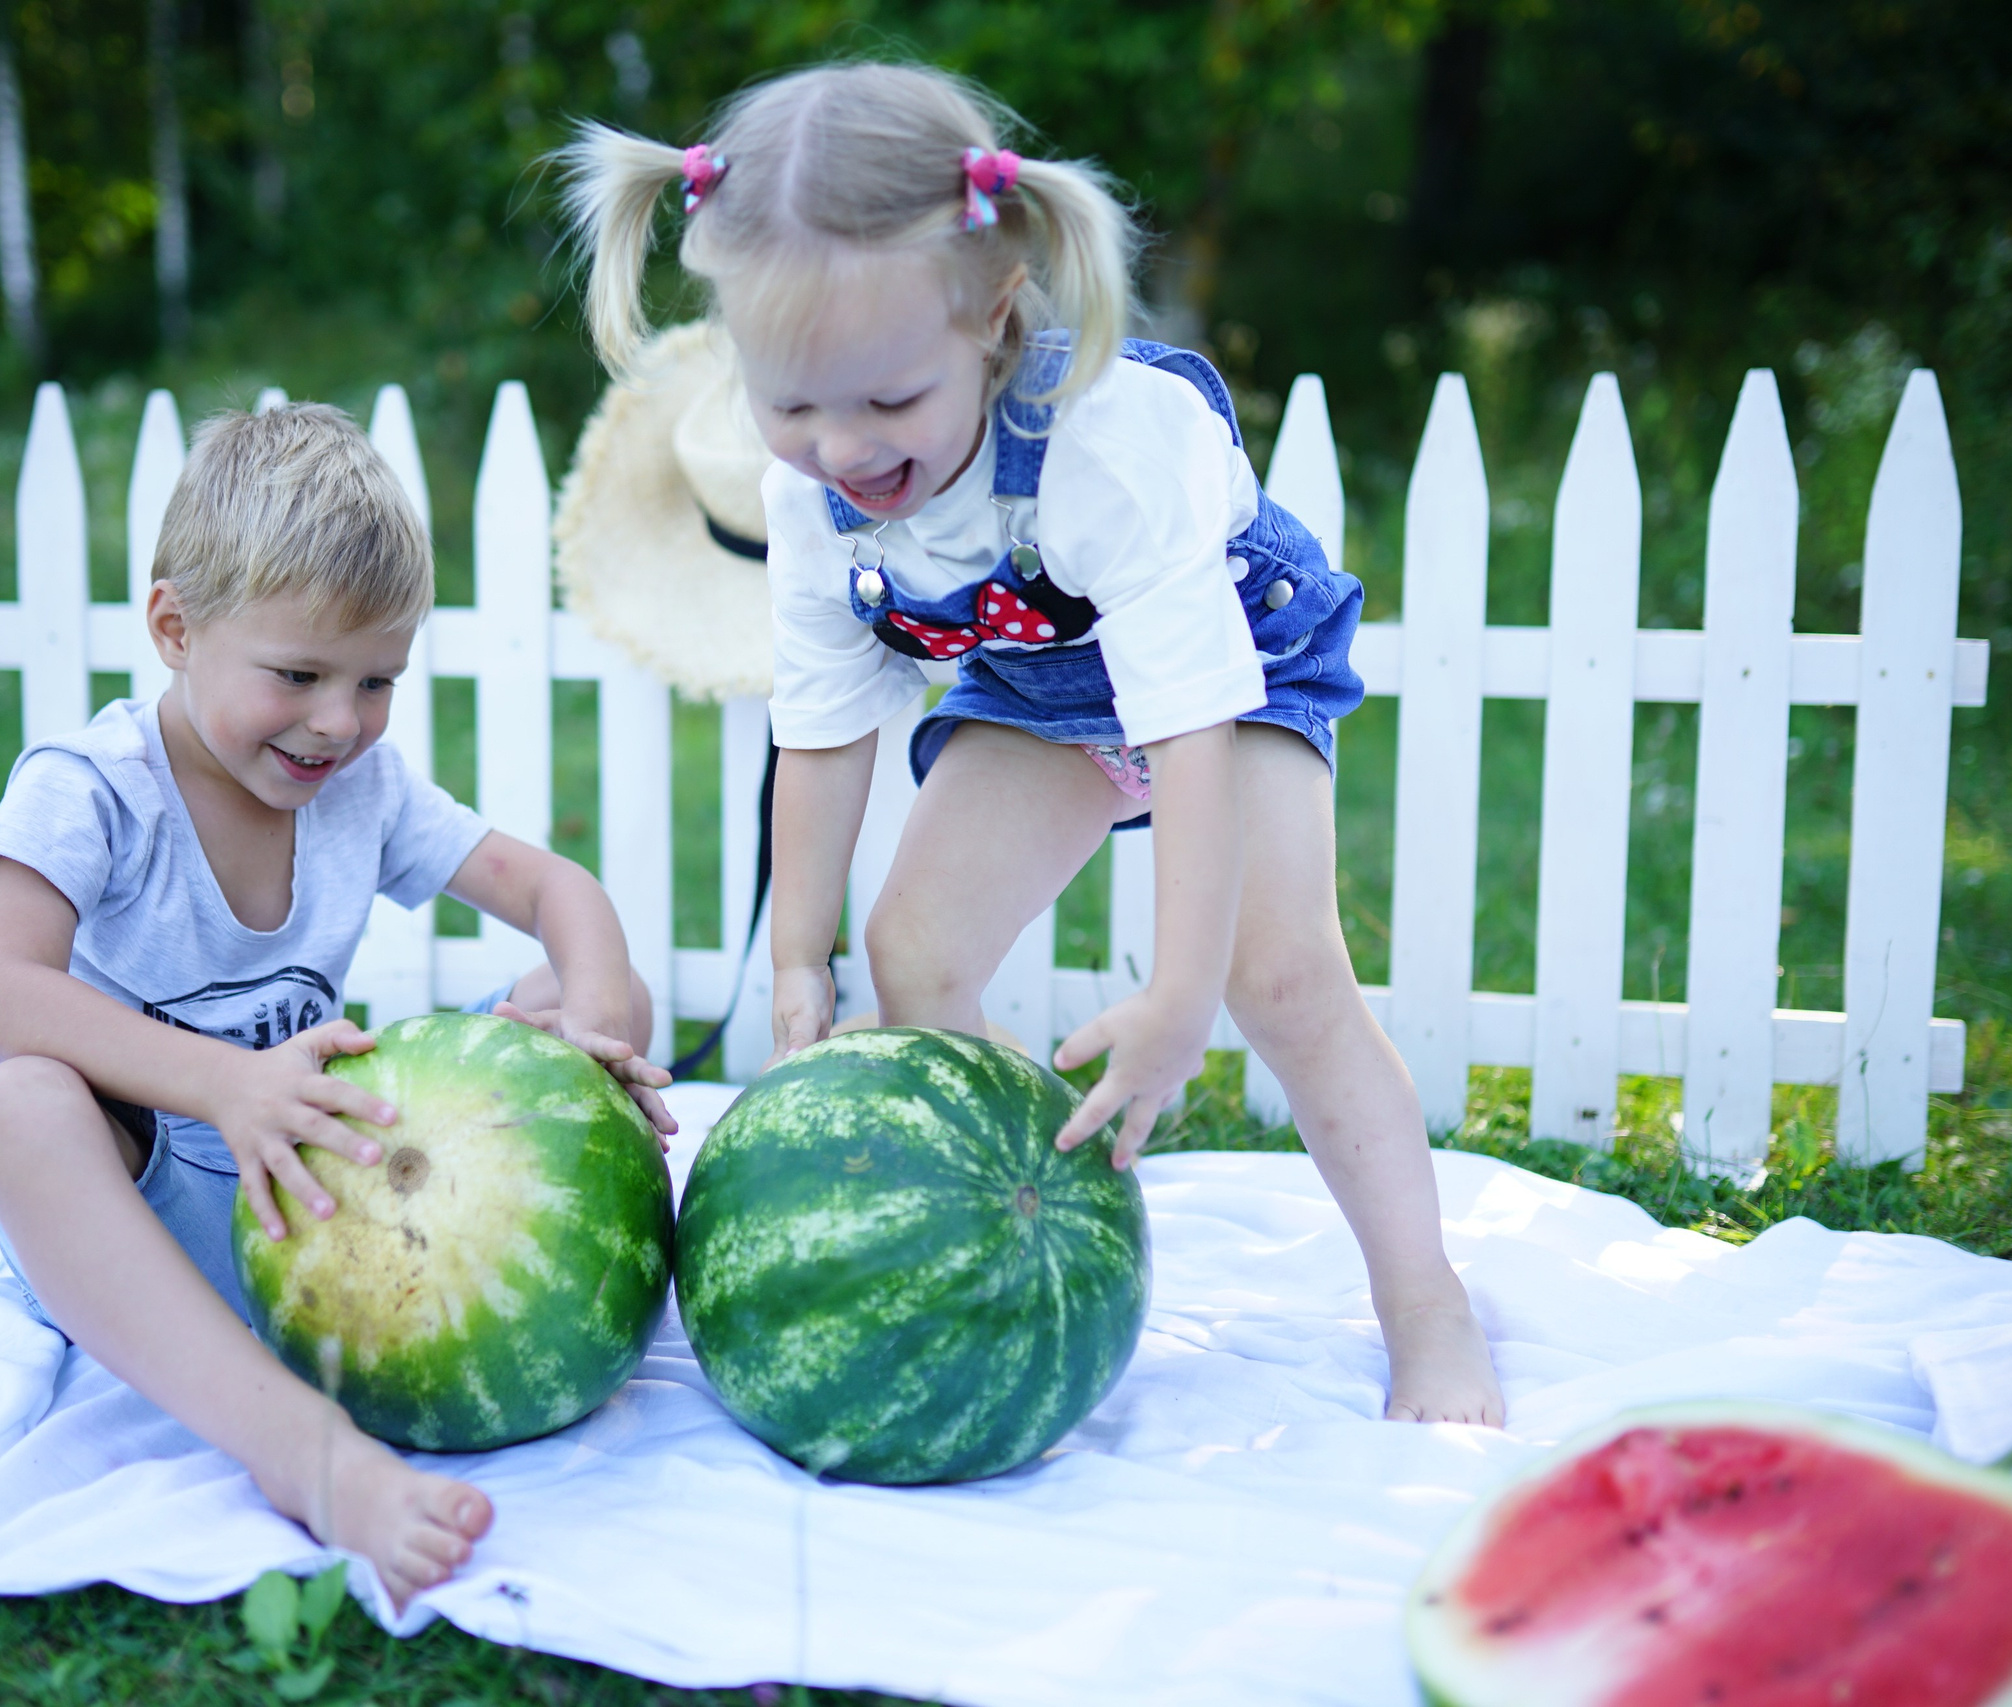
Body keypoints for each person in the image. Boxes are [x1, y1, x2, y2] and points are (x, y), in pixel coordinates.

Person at [558, 62, 1504, 1425]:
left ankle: (1425, 1300)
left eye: (889, 402)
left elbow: (1188, 724)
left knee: (1286, 979)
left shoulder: (1106, 444)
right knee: (915, 955)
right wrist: (797, 953)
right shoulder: (813, 497)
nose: (840, 446)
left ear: (994, 315)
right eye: (792, 404)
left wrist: (1179, 999)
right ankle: (1011, 1234)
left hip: (1228, 670)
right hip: (1043, 688)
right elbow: (820, 728)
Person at [0, 403, 677, 1606]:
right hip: (148, 1215)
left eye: (376, 680)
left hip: (334, 1202)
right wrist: (227, 1084)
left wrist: (593, 1029)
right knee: (12, 1111)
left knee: (595, 988)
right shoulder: (95, 789)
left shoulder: (359, 788)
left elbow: (557, 890)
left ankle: (486, 1269)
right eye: (297, 675)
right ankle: (300, 1450)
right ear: (175, 627)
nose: (338, 721)